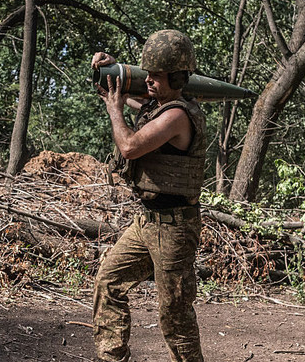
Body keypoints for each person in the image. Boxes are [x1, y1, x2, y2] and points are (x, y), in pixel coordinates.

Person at [91, 30, 206, 362]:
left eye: (157, 75)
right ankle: (113, 357)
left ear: (178, 77)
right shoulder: (159, 105)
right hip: (148, 221)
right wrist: (111, 74)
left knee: (175, 316)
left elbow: (129, 146)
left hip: (174, 230)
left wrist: (115, 108)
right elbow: (132, 96)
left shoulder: (177, 115)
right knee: (109, 283)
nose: (149, 81)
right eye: (148, 74)